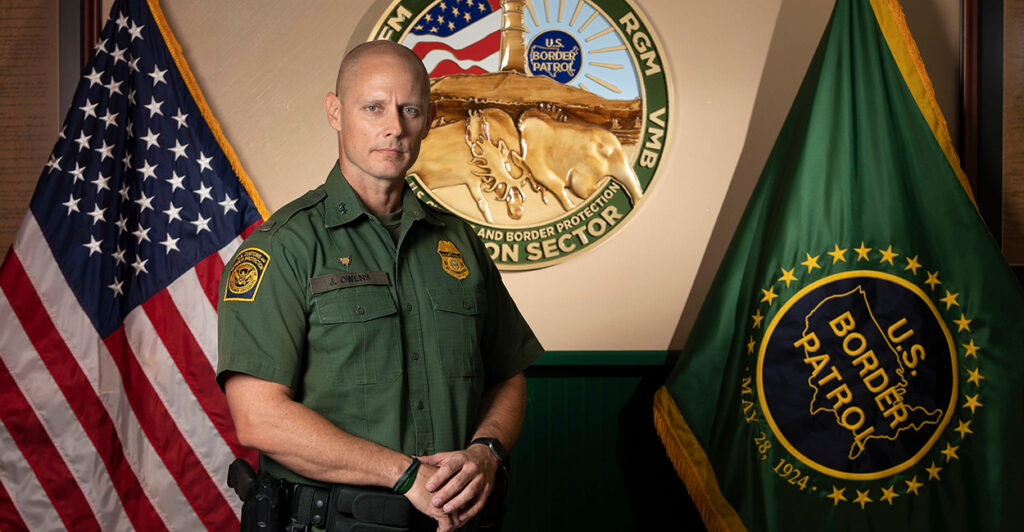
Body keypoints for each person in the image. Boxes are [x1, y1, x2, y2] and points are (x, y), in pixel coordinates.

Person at [217, 40, 544, 531]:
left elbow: (508, 377)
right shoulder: (282, 248)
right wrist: (403, 474)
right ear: (335, 112)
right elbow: (258, 416)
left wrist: (487, 450)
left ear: (429, 120)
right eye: (373, 107)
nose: (394, 126)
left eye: (409, 109)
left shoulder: (460, 243)